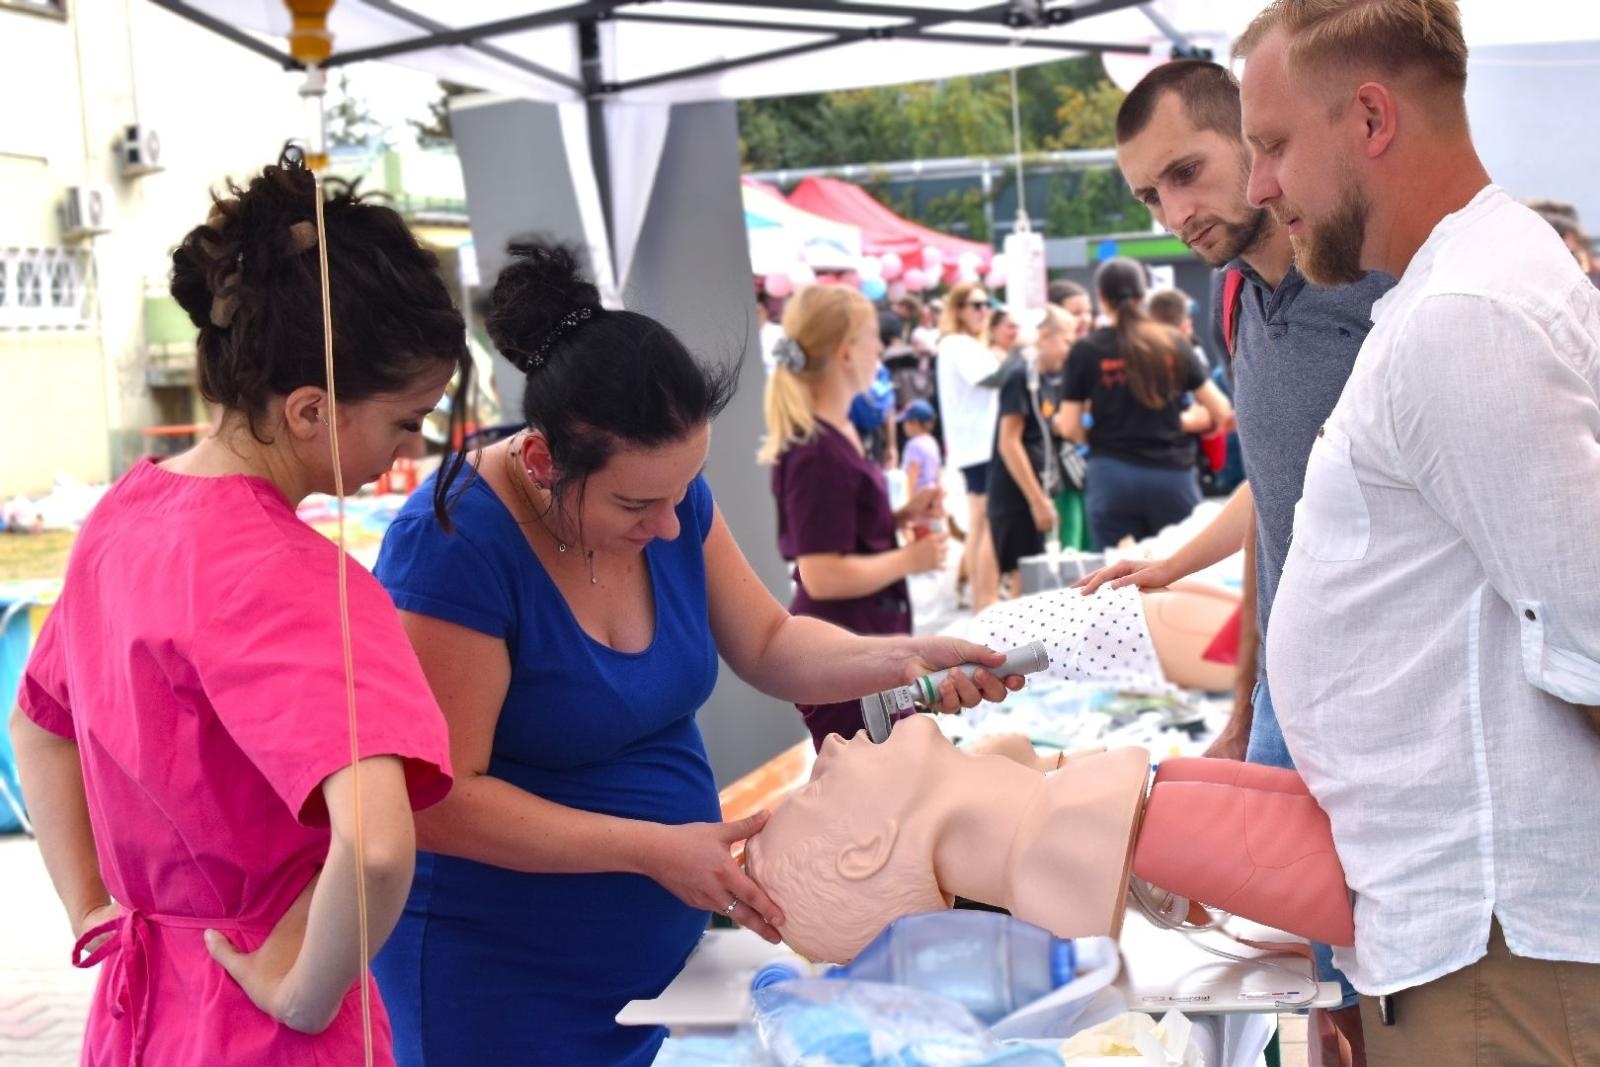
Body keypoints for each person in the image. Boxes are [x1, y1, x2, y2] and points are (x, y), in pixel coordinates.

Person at [370, 244, 1021, 1066]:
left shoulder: (666, 497)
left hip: (660, 964)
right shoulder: (454, 545)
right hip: (497, 976)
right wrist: (649, 847)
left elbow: (773, 642)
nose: (672, 526)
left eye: (686, 491)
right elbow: (439, 797)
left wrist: (903, 659)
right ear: (542, 461)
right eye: (638, 503)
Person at [10, 153, 462, 1065]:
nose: (414, 446)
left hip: (141, 1006)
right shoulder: (300, 581)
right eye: (407, 419)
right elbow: (377, 848)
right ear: (309, 410)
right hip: (261, 1019)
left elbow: (35, 725)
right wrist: (303, 994)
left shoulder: (120, 517)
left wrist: (90, 902)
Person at [1233, 2, 1600, 1062]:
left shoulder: (1465, 314)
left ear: (1372, 118)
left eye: (1271, 145)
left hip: (1498, 954)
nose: (1260, 186)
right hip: (1466, 941)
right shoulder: (1454, 285)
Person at [1081, 59, 1394, 1060]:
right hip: (1293, 707)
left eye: (1184, 171)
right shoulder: (1236, 302)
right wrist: (1234, 684)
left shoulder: (1379, 289)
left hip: (1390, 714)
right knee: (1298, 994)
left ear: (1256, 146)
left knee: (1376, 996)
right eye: (1148, 193)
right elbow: (1277, 483)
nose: (1174, 211)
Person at [746, 714, 1351, 965]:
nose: (827, 747)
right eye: (819, 790)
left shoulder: (1065, 810)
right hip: (1158, 822)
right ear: (869, 850)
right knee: (1370, 876)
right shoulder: (1069, 845)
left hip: (1160, 809)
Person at [765, 285, 947, 746]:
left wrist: (901, 515)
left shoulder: (834, 433)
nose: (881, 349)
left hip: (858, 645)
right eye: (873, 338)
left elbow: (843, 532)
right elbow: (821, 573)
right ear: (846, 353)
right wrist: (911, 559)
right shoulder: (817, 449)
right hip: (844, 652)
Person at [1056, 258, 1231, 551]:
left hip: (1111, 475)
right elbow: (1220, 409)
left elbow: (1069, 425)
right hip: (1171, 476)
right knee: (1180, 573)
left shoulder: (1085, 350)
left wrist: (1105, 438)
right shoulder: (1171, 341)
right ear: (1143, 294)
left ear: (1101, 297)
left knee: (1116, 580)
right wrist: (1179, 423)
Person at [986, 306, 1071, 595]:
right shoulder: (1020, 375)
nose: (1068, 350)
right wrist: (1036, 501)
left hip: (1040, 486)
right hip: (1017, 496)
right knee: (1025, 585)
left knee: (1043, 581)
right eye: (1066, 341)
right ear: (1046, 336)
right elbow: (1008, 441)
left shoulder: (1048, 378)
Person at [935, 281, 1002, 610]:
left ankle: (981, 601)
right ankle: (983, 601)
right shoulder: (958, 343)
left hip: (975, 444)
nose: (983, 311)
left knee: (979, 523)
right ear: (958, 310)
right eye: (976, 305)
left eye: (986, 304)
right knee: (986, 523)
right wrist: (1017, 364)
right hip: (980, 444)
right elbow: (990, 379)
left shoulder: (961, 344)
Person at [898, 398, 942, 499]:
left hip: (918, 495)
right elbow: (937, 470)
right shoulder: (932, 441)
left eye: (906, 422)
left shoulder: (913, 445)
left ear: (915, 423)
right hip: (932, 492)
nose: (904, 426)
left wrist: (907, 498)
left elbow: (913, 470)